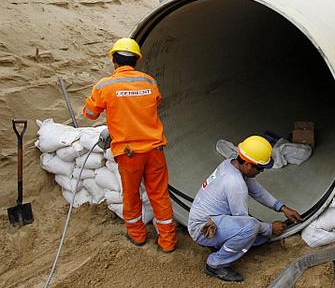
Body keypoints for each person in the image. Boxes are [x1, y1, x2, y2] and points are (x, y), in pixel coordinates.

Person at [83, 38, 177, 253]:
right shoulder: (149, 82)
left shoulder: (105, 85)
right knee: (159, 195)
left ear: (114, 60)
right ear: (136, 60)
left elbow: (89, 114)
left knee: (131, 195)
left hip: (129, 153)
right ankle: (168, 241)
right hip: (155, 150)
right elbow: (155, 102)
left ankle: (137, 235)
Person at [188, 135, 303, 282]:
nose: (261, 172)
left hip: (208, 219)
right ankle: (215, 265)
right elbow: (243, 220)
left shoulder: (230, 164)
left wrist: (282, 207)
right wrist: (269, 228)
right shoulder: (236, 184)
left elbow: (257, 191)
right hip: (203, 230)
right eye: (260, 168)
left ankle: (222, 243)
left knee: (258, 237)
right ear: (248, 164)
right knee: (252, 228)